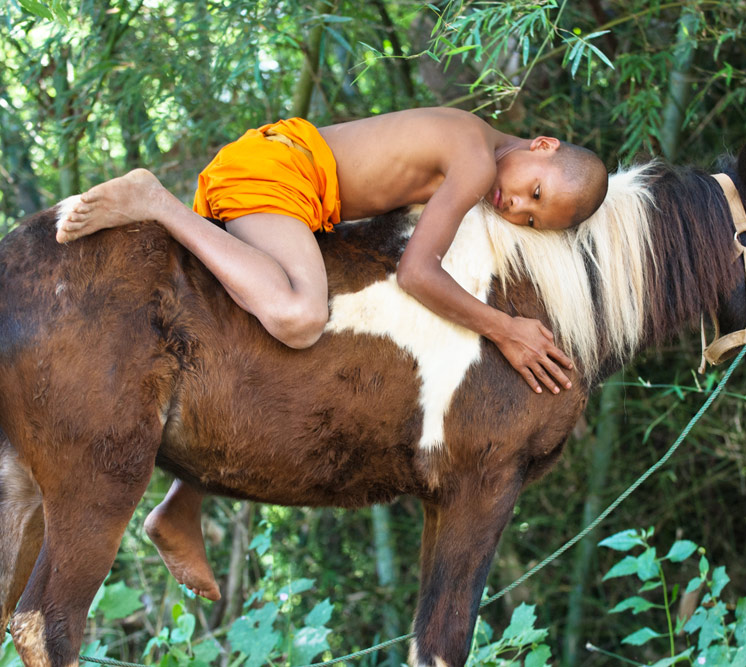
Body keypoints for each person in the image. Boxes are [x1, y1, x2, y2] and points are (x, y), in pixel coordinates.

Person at [57, 107, 609, 600]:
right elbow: (418, 272)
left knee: (255, 338)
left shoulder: (481, 148)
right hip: (278, 173)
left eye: (532, 220)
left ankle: (182, 502)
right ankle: (156, 201)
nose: (515, 207)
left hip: (296, 187)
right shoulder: (476, 162)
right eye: (533, 193)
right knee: (300, 317)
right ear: (542, 145)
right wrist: (505, 328)